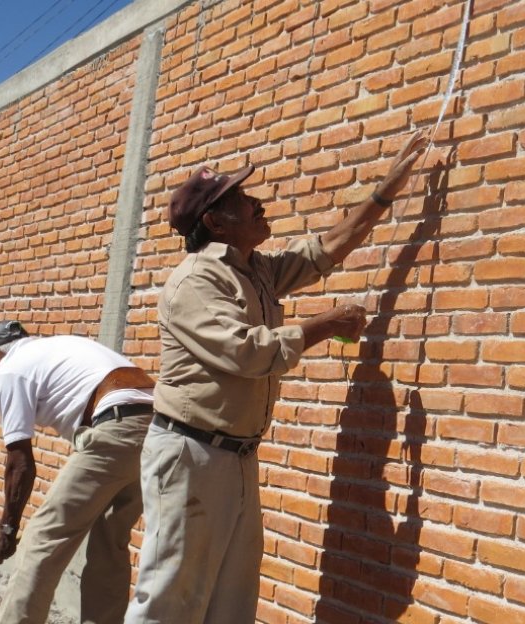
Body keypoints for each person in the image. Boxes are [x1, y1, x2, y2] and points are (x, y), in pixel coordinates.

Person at [124, 131, 430, 623]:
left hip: (235, 455)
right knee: (170, 600)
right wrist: (325, 325)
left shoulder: (256, 269)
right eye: (242, 199)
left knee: (231, 602)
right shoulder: (195, 280)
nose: (257, 204)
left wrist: (387, 188)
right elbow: (247, 352)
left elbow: (328, 248)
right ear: (215, 222)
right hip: (190, 456)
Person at [0, 320, 155, 624]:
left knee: (43, 538)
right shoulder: (57, 346)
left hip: (116, 426)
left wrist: (7, 530)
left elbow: (20, 463)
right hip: (155, 428)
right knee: (110, 543)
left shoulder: (10, 369)